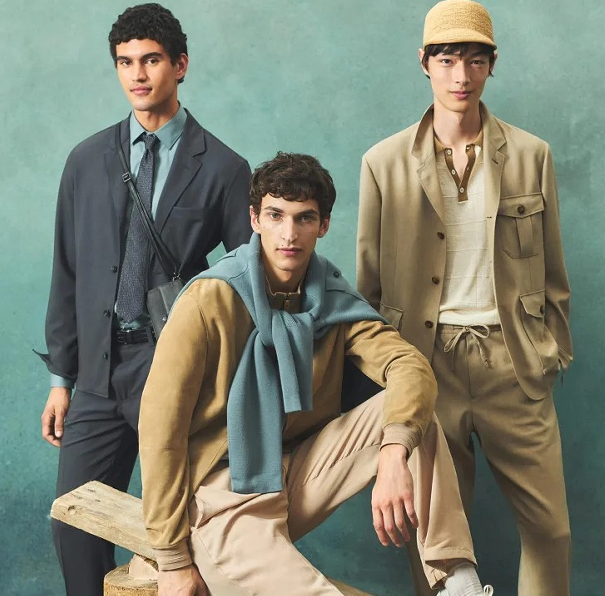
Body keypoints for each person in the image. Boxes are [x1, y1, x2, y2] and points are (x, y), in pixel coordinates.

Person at [138, 152, 493, 596]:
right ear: (255, 219)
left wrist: (392, 452)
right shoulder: (208, 300)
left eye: (304, 218)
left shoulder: (331, 296)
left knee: (409, 414)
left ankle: (458, 583)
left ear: (323, 225)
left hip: (295, 474)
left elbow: (409, 367)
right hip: (220, 497)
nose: (289, 234)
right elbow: (160, 431)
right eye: (276, 215)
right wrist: (172, 559)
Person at [356, 1, 572, 595]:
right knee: (434, 542)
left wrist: (551, 351)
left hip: (514, 362)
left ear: (491, 66)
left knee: (550, 530)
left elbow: (554, 272)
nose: (461, 76)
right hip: (424, 365)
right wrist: (386, 381)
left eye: (475, 60)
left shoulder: (531, 155)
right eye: (448, 60)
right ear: (424, 63)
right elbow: (368, 288)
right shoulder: (382, 163)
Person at [38, 4, 252, 595]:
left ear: (180, 65)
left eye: (151, 60)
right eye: (126, 62)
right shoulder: (86, 160)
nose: (138, 74)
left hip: (178, 370)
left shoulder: (225, 167)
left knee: (190, 530)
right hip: (98, 373)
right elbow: (66, 270)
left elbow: (248, 283)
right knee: (74, 522)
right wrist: (61, 379)